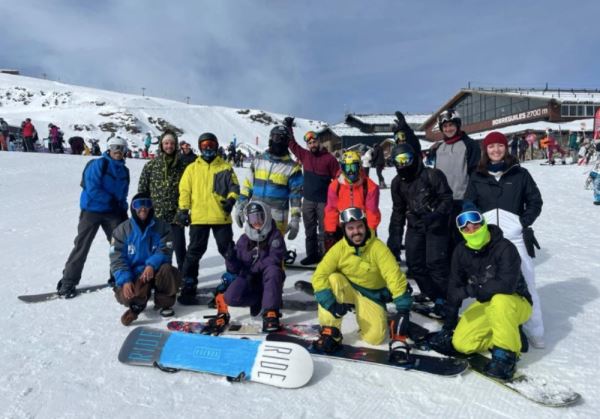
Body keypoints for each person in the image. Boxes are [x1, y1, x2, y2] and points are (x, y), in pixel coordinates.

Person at [428, 210, 533, 380]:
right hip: (487, 303)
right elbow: (454, 289)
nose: (472, 230)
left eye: (475, 224)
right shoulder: (461, 252)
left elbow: (506, 285)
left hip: (516, 302)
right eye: (466, 228)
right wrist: (448, 327)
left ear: (483, 223)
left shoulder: (505, 248)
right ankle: (511, 333)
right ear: (461, 232)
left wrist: (470, 290)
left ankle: (506, 355)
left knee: (500, 300)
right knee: (462, 344)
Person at [463, 131, 544, 348]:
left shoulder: (520, 174)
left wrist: (522, 222)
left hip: (515, 238)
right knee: (490, 283)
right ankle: (498, 324)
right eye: (491, 147)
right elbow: (468, 202)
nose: (496, 150)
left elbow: (535, 201)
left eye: (499, 146)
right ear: (485, 150)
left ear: (506, 148)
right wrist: (474, 215)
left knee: (527, 281)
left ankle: (535, 330)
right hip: (487, 239)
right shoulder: (477, 176)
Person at [311, 207, 413, 352]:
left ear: (365, 226)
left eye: (359, 226)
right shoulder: (338, 249)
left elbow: (393, 276)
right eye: (350, 228)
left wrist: (403, 309)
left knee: (375, 338)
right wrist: (330, 303)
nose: (356, 232)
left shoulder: (378, 248)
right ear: (344, 230)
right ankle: (330, 332)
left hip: (371, 295)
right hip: (346, 288)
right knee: (332, 278)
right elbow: (319, 275)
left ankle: (367, 312)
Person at [56, 137, 130, 298]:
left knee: (118, 246)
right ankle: (68, 282)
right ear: (109, 148)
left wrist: (123, 210)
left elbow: (123, 194)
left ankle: (117, 276)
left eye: (121, 148)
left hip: (113, 212)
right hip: (92, 211)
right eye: (115, 147)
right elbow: (92, 188)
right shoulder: (99, 164)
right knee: (82, 246)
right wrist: (111, 201)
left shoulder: (124, 171)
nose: (118, 151)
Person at [388, 144, 453, 312]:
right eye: (399, 161)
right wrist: (394, 237)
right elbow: (398, 211)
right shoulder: (397, 183)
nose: (403, 165)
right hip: (415, 225)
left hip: (436, 225)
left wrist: (435, 215)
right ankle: (431, 293)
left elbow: (447, 199)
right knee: (414, 264)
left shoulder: (432, 175)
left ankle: (446, 300)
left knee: (435, 264)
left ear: (414, 158)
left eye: (406, 159)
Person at [176, 132, 240, 303]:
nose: (208, 148)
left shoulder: (225, 167)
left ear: (217, 145)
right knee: (194, 252)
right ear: (199, 147)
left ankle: (233, 280)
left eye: (211, 144)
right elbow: (185, 191)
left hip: (220, 216)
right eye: (204, 145)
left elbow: (235, 186)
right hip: (199, 217)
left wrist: (231, 200)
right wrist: (183, 210)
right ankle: (188, 283)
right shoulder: (192, 168)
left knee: (228, 251)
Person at [208, 201, 287, 332]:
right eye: (252, 218)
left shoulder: (275, 235)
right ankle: (258, 299)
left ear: (266, 216)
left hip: (268, 280)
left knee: (273, 270)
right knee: (230, 297)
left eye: (259, 217)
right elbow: (234, 270)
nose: (256, 222)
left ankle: (270, 313)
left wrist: (254, 269)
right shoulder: (244, 239)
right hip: (249, 280)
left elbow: (274, 259)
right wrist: (230, 258)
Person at [110, 193, 181, 325]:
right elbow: (117, 258)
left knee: (167, 270)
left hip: (156, 270)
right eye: (138, 205)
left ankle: (164, 303)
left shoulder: (163, 227)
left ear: (151, 207)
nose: (143, 209)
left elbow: (165, 250)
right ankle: (136, 304)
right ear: (132, 208)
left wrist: (151, 265)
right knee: (128, 297)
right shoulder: (122, 231)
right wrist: (125, 280)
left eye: (147, 204)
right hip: (134, 273)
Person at [235, 125, 303, 243]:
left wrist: (295, 219)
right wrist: (240, 205)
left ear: (287, 143)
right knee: (251, 249)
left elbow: (295, 197)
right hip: (256, 214)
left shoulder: (293, 168)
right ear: (271, 139)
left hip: (277, 217)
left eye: (283, 139)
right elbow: (247, 186)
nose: (279, 142)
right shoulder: (258, 161)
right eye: (277, 138)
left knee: (275, 252)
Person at [285, 118, 339, 265]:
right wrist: (289, 127)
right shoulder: (305, 155)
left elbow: (338, 179)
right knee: (309, 230)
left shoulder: (329, 159)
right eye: (309, 143)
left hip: (324, 201)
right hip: (308, 200)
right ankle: (312, 255)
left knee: (324, 231)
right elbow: (292, 144)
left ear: (319, 142)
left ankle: (325, 257)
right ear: (307, 145)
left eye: (314, 142)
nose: (312, 145)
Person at [427, 109, 480, 252]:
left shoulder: (470, 145)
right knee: (445, 236)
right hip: (442, 200)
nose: (448, 129)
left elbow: (475, 173)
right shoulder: (439, 147)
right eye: (445, 127)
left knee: (461, 237)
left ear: (458, 125)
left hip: (461, 199)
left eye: (451, 125)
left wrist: (471, 197)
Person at [138, 130, 188, 270]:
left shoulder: (183, 166)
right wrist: (143, 210)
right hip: (156, 215)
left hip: (176, 215)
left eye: (172, 143)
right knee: (159, 248)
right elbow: (142, 190)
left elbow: (189, 189)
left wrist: (184, 210)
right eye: (166, 143)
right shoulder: (151, 165)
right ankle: (161, 276)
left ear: (176, 145)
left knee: (179, 247)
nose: (169, 146)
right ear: (161, 145)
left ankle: (182, 277)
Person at [323, 150, 380, 252]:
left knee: (366, 252)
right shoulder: (335, 186)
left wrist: (370, 231)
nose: (350, 172)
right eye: (347, 168)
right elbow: (331, 210)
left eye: (353, 167)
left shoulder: (369, 186)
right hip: (342, 227)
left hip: (362, 226)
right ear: (342, 168)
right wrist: (330, 232)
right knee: (339, 253)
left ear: (359, 167)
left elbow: (372, 210)